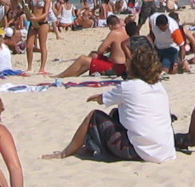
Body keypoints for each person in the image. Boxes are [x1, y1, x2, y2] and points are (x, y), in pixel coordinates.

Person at [44, 45, 173, 162]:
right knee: (116, 114)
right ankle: (88, 147)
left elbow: (102, 100)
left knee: (94, 116)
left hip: (140, 152)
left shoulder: (128, 86)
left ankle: (65, 153)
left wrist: (97, 97)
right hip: (166, 151)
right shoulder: (159, 87)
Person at [56, 16, 128, 78]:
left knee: (83, 58)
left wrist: (108, 49)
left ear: (110, 26)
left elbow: (100, 51)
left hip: (114, 67)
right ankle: (74, 74)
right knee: (93, 54)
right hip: (122, 65)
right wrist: (111, 49)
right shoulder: (125, 31)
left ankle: (62, 75)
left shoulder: (114, 33)